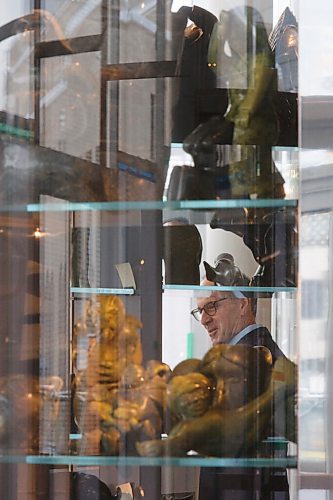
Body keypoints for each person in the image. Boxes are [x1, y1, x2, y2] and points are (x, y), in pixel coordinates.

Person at [191, 256, 292, 499]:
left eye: (212, 306)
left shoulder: (254, 359)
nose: (204, 319)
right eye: (200, 310)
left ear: (244, 304)